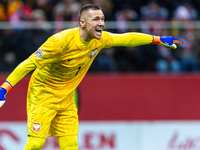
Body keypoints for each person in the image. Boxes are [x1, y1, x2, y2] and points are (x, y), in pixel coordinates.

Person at [0, 4, 183, 150]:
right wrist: (4, 88)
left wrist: (158, 39)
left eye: (102, 19)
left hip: (66, 99)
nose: (101, 23)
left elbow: (126, 38)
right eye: (96, 19)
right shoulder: (59, 42)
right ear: (82, 23)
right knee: (35, 145)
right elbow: (28, 64)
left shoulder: (100, 39)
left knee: (71, 145)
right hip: (42, 96)